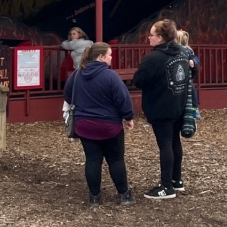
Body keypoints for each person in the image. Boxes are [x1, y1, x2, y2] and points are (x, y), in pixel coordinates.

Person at [64, 43, 136, 207]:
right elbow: (123, 99)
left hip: (84, 124)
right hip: (109, 125)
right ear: (101, 57)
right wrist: (128, 117)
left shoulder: (76, 75)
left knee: (92, 160)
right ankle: (124, 194)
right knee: (115, 160)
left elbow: (68, 95)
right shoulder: (111, 76)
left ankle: (94, 197)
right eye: (109, 55)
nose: (111, 58)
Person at [133, 18, 192, 200]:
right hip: (179, 104)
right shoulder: (183, 53)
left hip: (160, 106)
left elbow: (138, 80)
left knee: (165, 144)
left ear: (159, 37)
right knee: (174, 142)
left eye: (151, 35)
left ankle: (166, 187)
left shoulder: (153, 58)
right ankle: (176, 180)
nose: (148, 38)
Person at [176, 29, 201, 117]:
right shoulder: (174, 50)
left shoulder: (188, 50)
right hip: (178, 74)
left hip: (186, 75)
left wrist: (193, 61)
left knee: (191, 88)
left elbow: (196, 58)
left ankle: (194, 107)